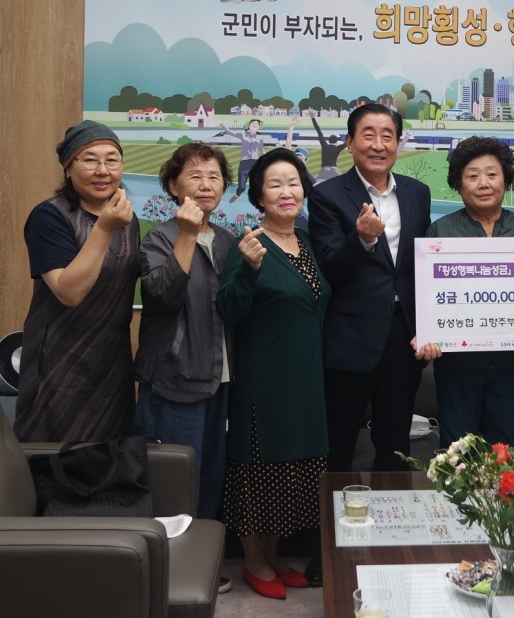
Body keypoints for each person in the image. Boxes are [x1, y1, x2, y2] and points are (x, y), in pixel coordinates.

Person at [216, 147, 330, 599]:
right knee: (260, 469)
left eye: (294, 183)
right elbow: (228, 308)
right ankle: (253, 561)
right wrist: (248, 270)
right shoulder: (249, 243)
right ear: (259, 196)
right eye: (275, 185)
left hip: (305, 378)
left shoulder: (305, 241)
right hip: (263, 379)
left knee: (292, 469)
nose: (287, 192)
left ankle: (275, 554)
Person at [308, 103, 432, 472]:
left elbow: (422, 265)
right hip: (351, 338)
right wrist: (361, 239)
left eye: (387, 136)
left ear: (398, 143)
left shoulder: (417, 193)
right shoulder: (328, 195)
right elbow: (330, 269)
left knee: (395, 444)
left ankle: (393, 507)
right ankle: (334, 509)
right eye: (368, 135)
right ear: (349, 142)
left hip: (403, 335)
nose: (378, 145)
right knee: (339, 440)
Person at [15, 120, 139, 442]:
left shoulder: (127, 219)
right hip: (59, 365)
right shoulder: (49, 217)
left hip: (112, 365)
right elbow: (68, 292)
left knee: (111, 458)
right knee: (55, 459)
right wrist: (104, 228)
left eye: (112, 160)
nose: (103, 170)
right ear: (68, 168)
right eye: (90, 160)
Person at [134, 142, 235, 521]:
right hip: (175, 380)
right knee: (175, 483)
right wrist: (188, 236)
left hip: (221, 381)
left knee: (211, 479)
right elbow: (162, 295)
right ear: (174, 186)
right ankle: (168, 555)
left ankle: (204, 554)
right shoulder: (160, 238)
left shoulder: (227, 240)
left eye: (214, 177)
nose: (206, 185)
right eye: (195, 176)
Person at [425, 136, 514, 447]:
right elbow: (429, 297)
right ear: (458, 184)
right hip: (457, 367)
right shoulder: (440, 232)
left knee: (505, 451)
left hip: (511, 366)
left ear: (505, 179)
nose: (483, 184)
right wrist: (426, 333)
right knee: (457, 453)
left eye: (492, 174)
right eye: (472, 176)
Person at [221, 118, 266, 203]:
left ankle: (259, 200)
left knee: (257, 185)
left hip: (255, 163)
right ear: (249, 126)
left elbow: (261, 150)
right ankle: (237, 194)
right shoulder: (243, 135)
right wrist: (223, 126)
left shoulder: (260, 138)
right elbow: (230, 133)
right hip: (244, 163)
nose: (255, 125)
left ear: (258, 128)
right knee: (242, 187)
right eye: (253, 124)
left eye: (257, 125)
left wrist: (269, 156)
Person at [308, 109, 346, 181]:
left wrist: (313, 118)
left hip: (324, 170)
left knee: (317, 184)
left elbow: (318, 131)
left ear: (329, 141)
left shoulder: (325, 145)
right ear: (336, 142)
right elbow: (347, 142)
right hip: (334, 170)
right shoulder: (337, 148)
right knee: (343, 182)